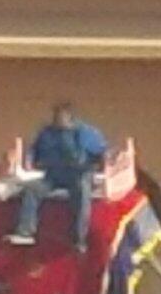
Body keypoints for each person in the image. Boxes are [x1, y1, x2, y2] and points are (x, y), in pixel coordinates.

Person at [8, 102, 107, 251]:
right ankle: (25, 232)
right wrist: (30, 160)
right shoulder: (47, 133)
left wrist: (100, 170)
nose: (57, 119)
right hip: (54, 176)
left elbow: (101, 152)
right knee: (32, 189)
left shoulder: (85, 133)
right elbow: (34, 151)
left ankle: (79, 239)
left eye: (61, 116)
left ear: (70, 117)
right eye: (55, 116)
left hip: (78, 175)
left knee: (82, 194)